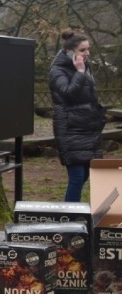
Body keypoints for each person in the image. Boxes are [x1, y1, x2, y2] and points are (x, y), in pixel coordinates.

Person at [49, 28, 106, 202]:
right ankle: (69, 218)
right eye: (82, 50)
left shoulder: (84, 68)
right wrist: (80, 73)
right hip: (70, 130)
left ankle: (75, 213)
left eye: (88, 49)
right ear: (69, 51)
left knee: (85, 176)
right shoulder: (58, 71)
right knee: (76, 177)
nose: (87, 53)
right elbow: (68, 93)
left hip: (88, 130)